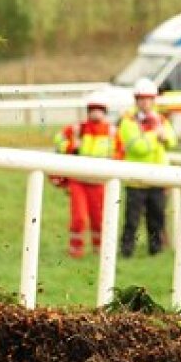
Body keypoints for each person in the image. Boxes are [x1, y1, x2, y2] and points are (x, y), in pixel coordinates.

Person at [117, 77, 177, 257]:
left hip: (157, 177)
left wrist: (161, 136)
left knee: (156, 218)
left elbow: (172, 140)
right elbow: (138, 147)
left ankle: (156, 251)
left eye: (149, 99)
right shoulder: (128, 121)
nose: (146, 103)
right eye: (142, 99)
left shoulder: (159, 118)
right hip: (136, 180)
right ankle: (127, 251)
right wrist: (155, 136)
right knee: (132, 220)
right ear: (136, 100)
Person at [52, 91, 116, 258]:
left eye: (99, 109)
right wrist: (70, 147)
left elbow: (119, 153)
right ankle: (75, 251)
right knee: (79, 218)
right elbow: (58, 140)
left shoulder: (111, 132)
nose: (95, 112)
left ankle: (99, 250)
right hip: (78, 180)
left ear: (105, 111)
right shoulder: (77, 129)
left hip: (99, 181)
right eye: (92, 109)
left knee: (99, 219)